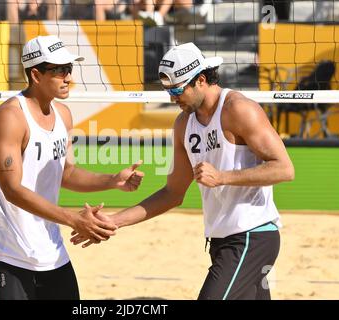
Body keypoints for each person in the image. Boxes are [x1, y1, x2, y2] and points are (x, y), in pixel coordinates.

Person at [71, 42, 295, 300]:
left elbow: (284, 169)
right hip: (221, 240)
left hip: (252, 236)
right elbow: (172, 193)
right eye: (167, 90)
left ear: (200, 80)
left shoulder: (238, 109)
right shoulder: (184, 124)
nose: (172, 98)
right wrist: (113, 221)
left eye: (177, 90)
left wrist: (223, 177)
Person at [0, 35, 144, 300]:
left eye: (69, 69)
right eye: (59, 70)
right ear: (36, 74)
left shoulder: (63, 114)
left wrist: (112, 180)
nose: (68, 77)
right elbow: (12, 189)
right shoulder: (9, 117)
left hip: (50, 249)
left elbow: (67, 173)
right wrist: (74, 219)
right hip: (6, 251)